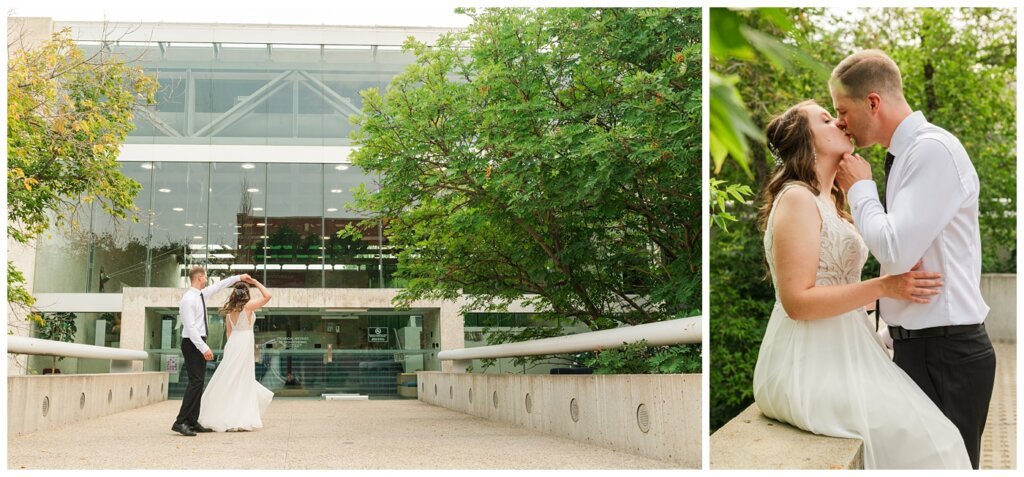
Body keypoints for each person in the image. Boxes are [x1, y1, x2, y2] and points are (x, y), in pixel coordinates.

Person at [751, 99, 970, 469]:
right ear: (806, 140)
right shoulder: (796, 199)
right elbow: (798, 302)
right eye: (825, 119)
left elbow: (838, 288)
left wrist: (901, 293)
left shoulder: (831, 203)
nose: (839, 123)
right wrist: (884, 287)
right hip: (807, 362)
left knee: (942, 438)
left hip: (849, 349)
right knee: (929, 441)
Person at [832, 49, 996, 469]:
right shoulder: (907, 155)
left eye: (843, 110)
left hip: (947, 356)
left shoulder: (932, 151)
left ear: (872, 102)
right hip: (920, 350)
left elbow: (897, 251)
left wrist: (860, 188)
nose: (839, 123)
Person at [171, 267, 249, 436]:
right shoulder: (188, 300)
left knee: (199, 382)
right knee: (195, 382)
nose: (207, 279)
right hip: (192, 343)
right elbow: (190, 328)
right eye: (205, 277)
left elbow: (220, 286)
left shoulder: (201, 295)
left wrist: (239, 277)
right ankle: (180, 421)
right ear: (199, 278)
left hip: (197, 342)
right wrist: (204, 348)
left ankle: (192, 421)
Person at [197, 276, 274, 432]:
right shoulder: (248, 306)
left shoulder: (230, 312)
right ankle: (239, 416)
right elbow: (268, 296)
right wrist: (256, 282)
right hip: (244, 343)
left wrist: (232, 348)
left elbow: (229, 333)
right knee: (242, 379)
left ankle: (225, 412)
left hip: (233, 344)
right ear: (246, 293)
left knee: (230, 377)